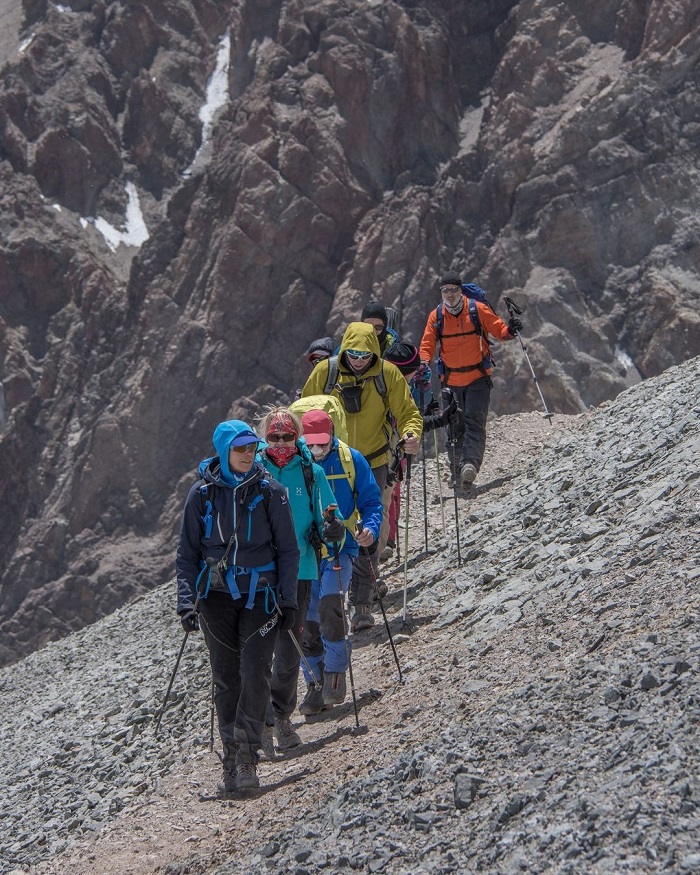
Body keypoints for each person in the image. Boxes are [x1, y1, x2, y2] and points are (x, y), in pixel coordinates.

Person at [176, 420, 300, 795]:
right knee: (226, 678)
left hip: (261, 596)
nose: (249, 454)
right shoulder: (201, 495)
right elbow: (187, 554)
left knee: (256, 670)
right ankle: (231, 761)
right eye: (240, 448)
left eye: (252, 447)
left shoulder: (271, 492)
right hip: (214, 599)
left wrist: (289, 599)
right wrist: (186, 602)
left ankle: (247, 757)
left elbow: (289, 551)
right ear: (223, 450)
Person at [301, 322, 423, 631]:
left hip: (375, 459)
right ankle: (328, 599)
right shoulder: (326, 373)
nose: (358, 359)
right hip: (328, 461)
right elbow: (304, 412)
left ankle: (361, 605)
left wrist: (411, 432)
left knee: (370, 530)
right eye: (353, 353)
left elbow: (408, 411)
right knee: (327, 525)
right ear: (344, 351)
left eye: (365, 354)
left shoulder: (387, 374)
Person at [257, 407, 345, 752]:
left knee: (289, 652)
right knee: (259, 653)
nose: (281, 443)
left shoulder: (312, 473)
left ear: (297, 437)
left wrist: (333, 529)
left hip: (302, 571)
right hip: (259, 576)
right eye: (274, 437)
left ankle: (281, 716)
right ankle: (262, 720)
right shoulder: (255, 470)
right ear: (265, 438)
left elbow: (329, 518)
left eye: (287, 436)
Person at [297, 408, 383, 714]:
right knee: (306, 622)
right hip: (305, 553)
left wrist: (370, 529)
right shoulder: (294, 465)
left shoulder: (351, 459)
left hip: (341, 548)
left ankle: (334, 678)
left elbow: (371, 501)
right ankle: (314, 685)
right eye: (312, 443)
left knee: (331, 610)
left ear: (333, 434)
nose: (317, 449)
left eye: (323, 442)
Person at [419, 270, 522, 488]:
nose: (449, 294)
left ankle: (469, 466)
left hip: (477, 379)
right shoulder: (436, 316)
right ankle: (457, 471)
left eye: (453, 290)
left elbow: (498, 329)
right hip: (451, 381)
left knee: (474, 423)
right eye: (445, 290)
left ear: (460, 291)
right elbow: (427, 343)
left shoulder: (478, 310)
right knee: (454, 427)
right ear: (441, 293)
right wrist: (422, 363)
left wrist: (510, 331)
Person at [382, 342, 462, 560]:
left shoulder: (383, 384)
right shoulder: (392, 389)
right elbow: (406, 424)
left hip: (384, 453)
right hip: (386, 455)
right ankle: (380, 549)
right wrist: (438, 418)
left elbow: (409, 422)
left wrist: (433, 412)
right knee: (384, 499)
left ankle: (381, 548)